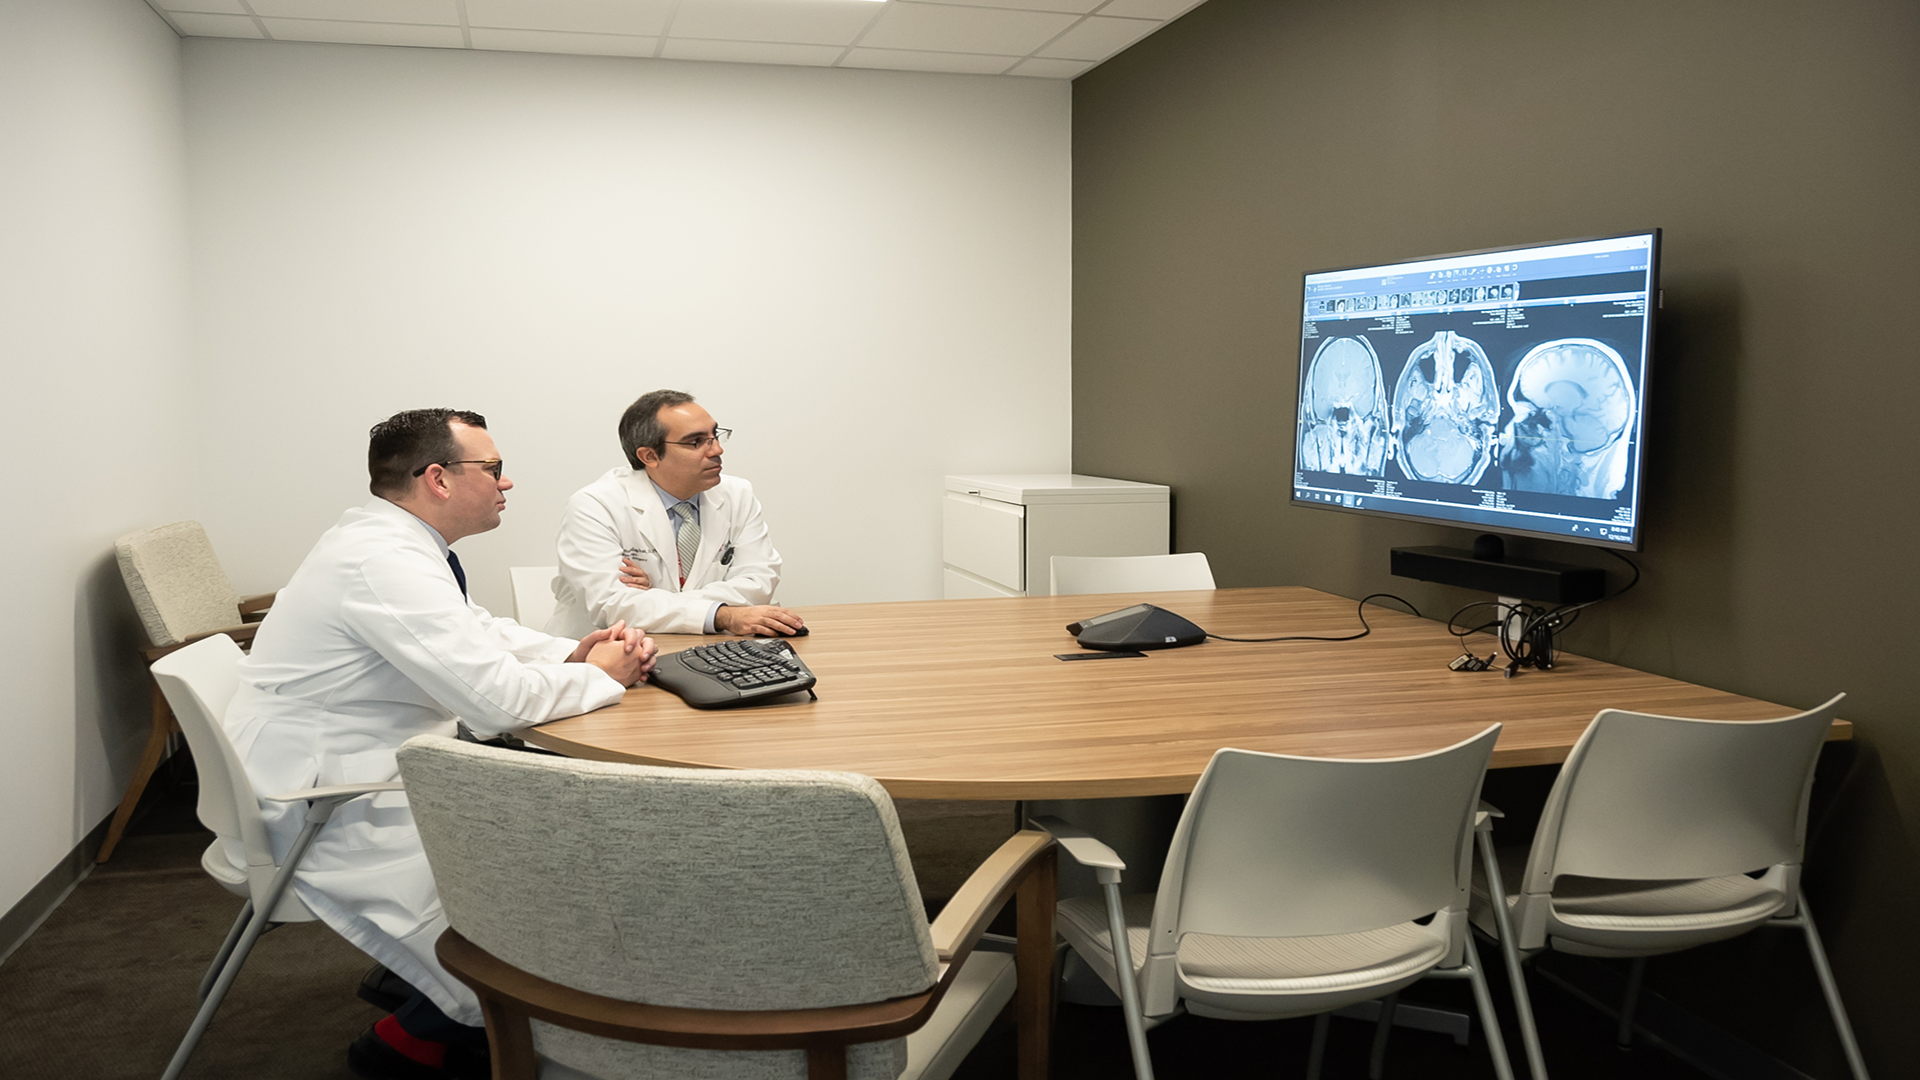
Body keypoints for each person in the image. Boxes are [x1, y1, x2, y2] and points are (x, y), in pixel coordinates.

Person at [222, 409, 657, 1080]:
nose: (507, 483)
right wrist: (602, 677)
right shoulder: (380, 560)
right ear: (439, 479)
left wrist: (573, 654)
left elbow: (476, 631)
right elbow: (495, 702)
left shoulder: (394, 543)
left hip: (358, 765)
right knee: (553, 879)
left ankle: (423, 1004)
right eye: (493, 469)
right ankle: (411, 1038)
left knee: (563, 837)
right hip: (328, 799)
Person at [547, 389, 804, 638]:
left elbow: (760, 582)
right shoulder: (595, 505)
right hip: (600, 655)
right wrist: (722, 615)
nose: (717, 450)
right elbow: (612, 605)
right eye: (696, 442)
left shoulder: (738, 494)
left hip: (707, 647)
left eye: (714, 435)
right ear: (649, 456)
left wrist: (656, 596)